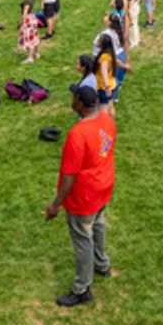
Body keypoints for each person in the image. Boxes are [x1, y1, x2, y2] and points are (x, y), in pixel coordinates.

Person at [44, 80, 117, 308]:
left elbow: (69, 177)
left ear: (80, 104)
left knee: (82, 239)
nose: (71, 98)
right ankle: (102, 265)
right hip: (103, 187)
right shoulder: (107, 120)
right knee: (98, 225)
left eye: (74, 96)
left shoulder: (78, 134)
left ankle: (82, 288)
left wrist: (56, 205)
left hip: (84, 196)